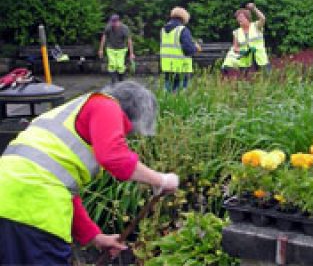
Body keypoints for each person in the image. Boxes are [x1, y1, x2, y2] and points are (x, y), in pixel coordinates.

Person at [0, 81, 179, 265]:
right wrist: (161, 180)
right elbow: (114, 157)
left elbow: (64, 190)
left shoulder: (69, 114)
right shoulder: (106, 105)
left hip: (9, 201)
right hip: (33, 210)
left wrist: (96, 237)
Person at [222, 3, 270, 78]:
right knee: (247, 79)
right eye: (237, 17)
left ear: (247, 18)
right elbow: (235, 48)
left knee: (266, 78)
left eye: (241, 17)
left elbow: (263, 18)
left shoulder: (256, 26)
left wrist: (254, 8)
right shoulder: (237, 32)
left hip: (260, 58)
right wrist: (242, 52)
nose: (238, 19)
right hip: (245, 60)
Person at [160, 7, 201, 92]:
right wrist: (195, 48)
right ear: (184, 18)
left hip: (167, 66)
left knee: (168, 92)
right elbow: (188, 50)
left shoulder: (163, 30)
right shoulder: (182, 30)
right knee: (180, 96)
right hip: (181, 67)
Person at [98, 14, 135, 84]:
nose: (114, 24)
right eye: (112, 22)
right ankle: (113, 82)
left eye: (115, 22)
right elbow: (103, 38)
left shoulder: (124, 28)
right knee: (112, 65)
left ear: (119, 21)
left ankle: (121, 81)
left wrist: (131, 53)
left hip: (121, 49)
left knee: (120, 65)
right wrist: (101, 50)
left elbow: (129, 40)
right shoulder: (108, 27)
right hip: (110, 48)